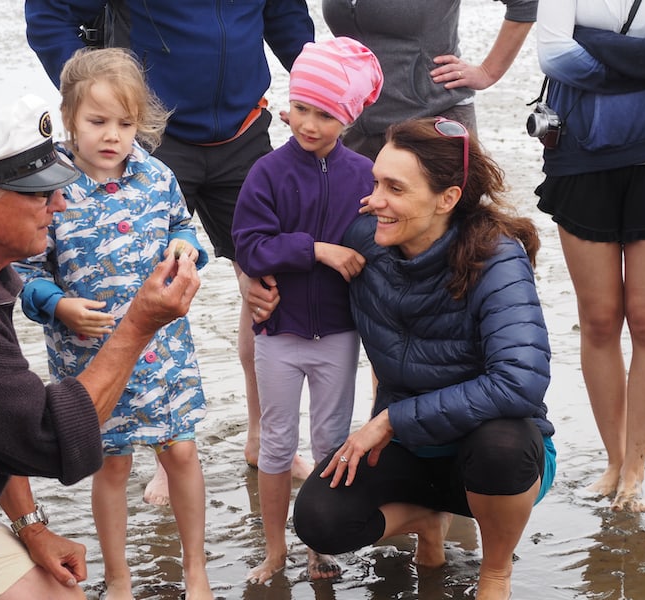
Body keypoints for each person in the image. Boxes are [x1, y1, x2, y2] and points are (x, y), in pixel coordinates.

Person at [0, 94, 200, 599]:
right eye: (42, 196)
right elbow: (45, 436)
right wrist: (139, 323)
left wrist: (32, 527)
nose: (60, 206)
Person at [24, 0, 317, 504]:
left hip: (245, 131)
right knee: (141, 284)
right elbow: (49, 14)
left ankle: (266, 439)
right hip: (152, 137)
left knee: (270, 283)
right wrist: (104, 100)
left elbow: (288, 21)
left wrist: (317, 98)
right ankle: (164, 448)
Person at [292, 118, 557, 600]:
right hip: (411, 452)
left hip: (494, 455)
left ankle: (495, 572)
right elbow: (304, 295)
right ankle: (425, 521)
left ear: (447, 199)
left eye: (394, 188)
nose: (374, 199)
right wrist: (261, 287)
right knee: (318, 520)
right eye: (375, 182)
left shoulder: (498, 257)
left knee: (501, 447)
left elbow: (521, 381)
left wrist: (392, 418)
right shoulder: (365, 240)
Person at [12, 48, 213, 600]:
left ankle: (196, 572)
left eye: (125, 124)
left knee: (180, 453)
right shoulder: (49, 185)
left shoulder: (155, 174)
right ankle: (119, 578)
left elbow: (183, 226)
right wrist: (57, 303)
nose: (113, 136)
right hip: (91, 357)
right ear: (69, 117)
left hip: (165, 350)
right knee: (113, 465)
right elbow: (23, 269)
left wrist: (185, 244)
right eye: (97, 122)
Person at [533, 0, 645, 511]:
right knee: (600, 320)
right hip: (580, 149)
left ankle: (635, 469)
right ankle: (613, 462)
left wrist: (593, 42)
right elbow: (554, 58)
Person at [232, 37, 384, 583]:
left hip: (340, 335)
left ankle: (317, 545)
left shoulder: (364, 174)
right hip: (279, 334)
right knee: (276, 443)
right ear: (286, 104)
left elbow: (385, 241)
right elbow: (247, 245)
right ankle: (275, 550)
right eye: (301, 108)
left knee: (330, 442)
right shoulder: (267, 172)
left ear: (347, 116)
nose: (309, 123)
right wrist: (315, 250)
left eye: (324, 113)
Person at [320, 0, 539, 160]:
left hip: (432, 124)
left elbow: (524, 3)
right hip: (357, 129)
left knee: (445, 221)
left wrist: (487, 72)